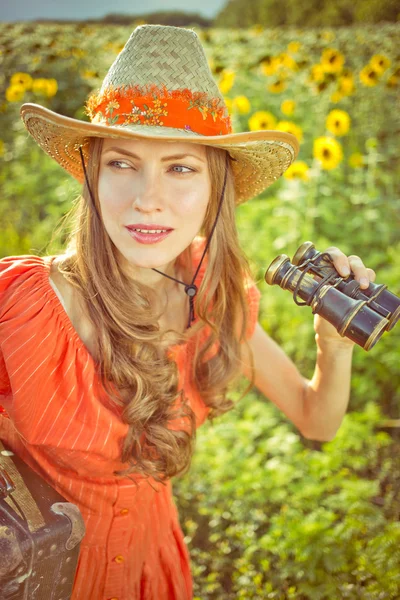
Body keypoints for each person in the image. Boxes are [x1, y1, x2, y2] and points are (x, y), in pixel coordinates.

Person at [0, 24, 375, 600]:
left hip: (154, 564)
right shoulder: (22, 307)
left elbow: (315, 418)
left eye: (180, 168)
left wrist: (335, 343)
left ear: (215, 191)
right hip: (46, 575)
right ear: (92, 176)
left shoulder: (217, 295)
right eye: (123, 163)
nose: (148, 197)